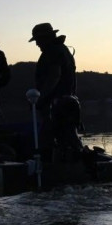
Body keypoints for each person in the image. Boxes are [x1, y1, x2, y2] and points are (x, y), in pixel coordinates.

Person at [28, 23, 83, 159]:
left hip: (56, 105)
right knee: (68, 137)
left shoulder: (52, 52)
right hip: (69, 103)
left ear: (46, 38)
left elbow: (54, 76)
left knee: (48, 138)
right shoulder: (63, 50)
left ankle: (49, 168)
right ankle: (76, 163)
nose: (37, 44)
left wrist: (40, 98)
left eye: (38, 40)